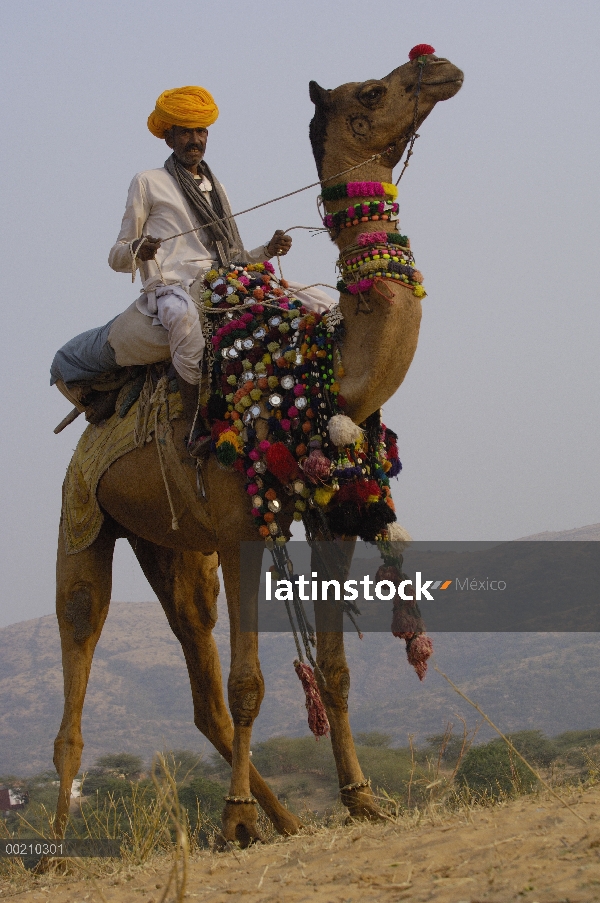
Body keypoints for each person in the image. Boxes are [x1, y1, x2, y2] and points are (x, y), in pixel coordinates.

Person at [51, 85, 334, 446]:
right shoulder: (148, 182)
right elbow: (116, 255)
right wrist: (139, 248)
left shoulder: (216, 186)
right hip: (172, 287)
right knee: (184, 321)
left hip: (226, 279)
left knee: (316, 300)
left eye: (201, 131)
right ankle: (193, 426)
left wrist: (267, 249)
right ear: (169, 136)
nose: (195, 139)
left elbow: (233, 256)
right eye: (186, 131)